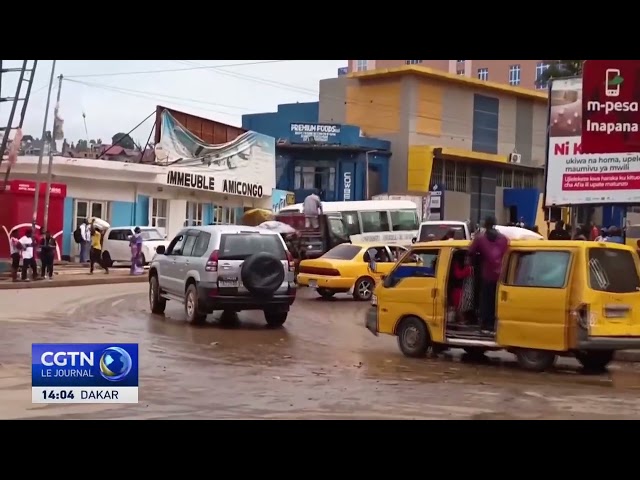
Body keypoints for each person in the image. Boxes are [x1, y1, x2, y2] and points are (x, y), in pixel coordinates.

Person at [468, 216, 509, 334]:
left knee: (486, 300)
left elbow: (470, 252)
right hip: (501, 275)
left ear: (485, 225)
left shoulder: (480, 239)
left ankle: (486, 325)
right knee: (496, 300)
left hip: (487, 274)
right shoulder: (504, 239)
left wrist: (478, 257)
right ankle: (495, 324)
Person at [450, 253, 473, 324]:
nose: (467, 260)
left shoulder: (469, 268)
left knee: (459, 308)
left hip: (463, 290)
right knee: (457, 308)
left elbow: (458, 275)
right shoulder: (466, 267)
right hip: (460, 289)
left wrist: (456, 265)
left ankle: (461, 323)